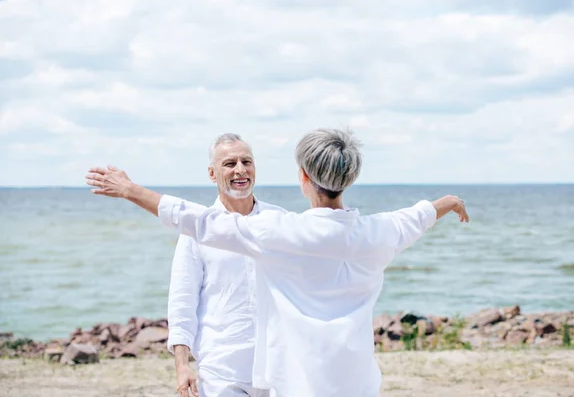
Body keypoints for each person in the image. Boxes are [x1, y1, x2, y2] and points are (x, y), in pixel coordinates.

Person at [86, 128, 469, 397]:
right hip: (357, 382)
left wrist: (131, 190)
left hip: (297, 382)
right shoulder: (376, 233)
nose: (240, 170)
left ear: (304, 177)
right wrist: (446, 203)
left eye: (246, 161)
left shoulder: (281, 231)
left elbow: (197, 220)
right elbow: (412, 219)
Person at [168, 133, 284, 397]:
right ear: (212, 173)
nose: (240, 170)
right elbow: (182, 302)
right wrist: (182, 365)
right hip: (222, 370)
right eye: (230, 164)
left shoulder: (279, 220)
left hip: (279, 367)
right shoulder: (196, 229)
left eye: (247, 162)